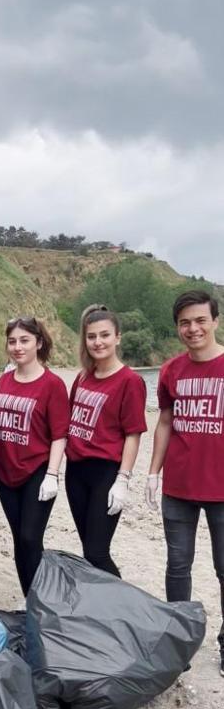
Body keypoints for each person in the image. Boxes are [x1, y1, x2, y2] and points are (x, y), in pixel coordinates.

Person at [146, 290, 224, 677]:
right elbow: (164, 422)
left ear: (215, 320)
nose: (192, 329)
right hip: (178, 486)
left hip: (222, 490)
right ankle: (179, 639)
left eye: (199, 320)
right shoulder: (171, 370)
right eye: (184, 322)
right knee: (178, 566)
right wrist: (152, 472)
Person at [65, 304, 147, 576]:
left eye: (104, 335)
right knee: (88, 548)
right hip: (76, 472)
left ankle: (121, 606)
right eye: (91, 337)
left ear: (118, 337)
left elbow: (133, 434)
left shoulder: (130, 381)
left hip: (105, 473)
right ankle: (100, 612)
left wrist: (123, 479)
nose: (97, 342)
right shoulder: (83, 377)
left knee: (97, 552)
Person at [0, 317, 69, 595]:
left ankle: (42, 603)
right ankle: (31, 601)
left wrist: (52, 474)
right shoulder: (2, 382)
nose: (17, 347)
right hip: (4, 473)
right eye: (12, 341)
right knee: (18, 540)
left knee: (30, 537)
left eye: (24, 340)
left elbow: (59, 434)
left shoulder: (52, 385)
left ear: (38, 342)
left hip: (37, 471)